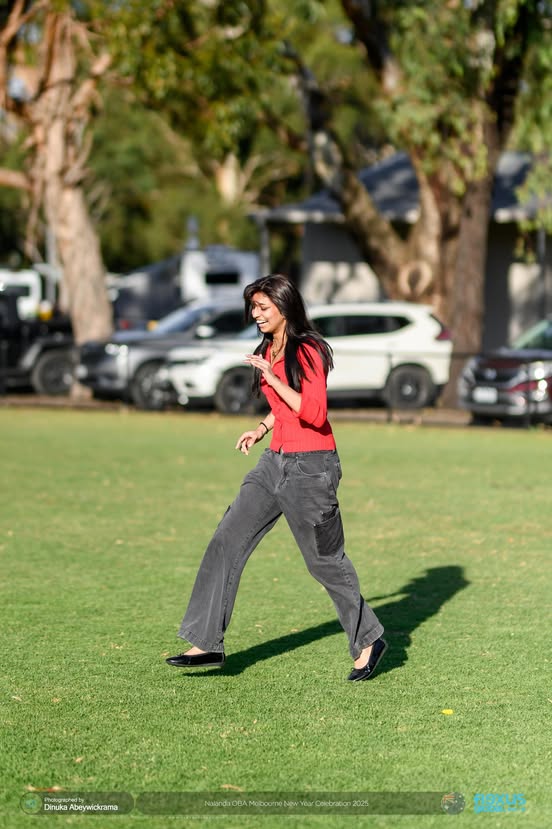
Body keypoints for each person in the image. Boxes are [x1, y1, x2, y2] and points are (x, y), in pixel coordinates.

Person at [166, 274, 387, 681]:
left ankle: (369, 639)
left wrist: (272, 377)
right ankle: (205, 642)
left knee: (324, 562)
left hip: (312, 468)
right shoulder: (271, 347)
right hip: (274, 462)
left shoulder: (308, 349)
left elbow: (314, 413)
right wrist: (262, 428)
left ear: (284, 307)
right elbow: (285, 407)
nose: (256, 315)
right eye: (253, 307)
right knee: (227, 537)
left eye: (263, 307)